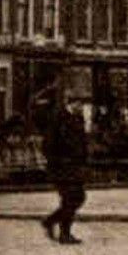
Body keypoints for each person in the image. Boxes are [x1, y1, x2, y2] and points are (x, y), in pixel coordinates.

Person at [41, 98, 89, 245]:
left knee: (79, 197)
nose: (82, 107)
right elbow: (48, 144)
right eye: (81, 103)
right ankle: (64, 234)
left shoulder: (78, 119)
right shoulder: (58, 118)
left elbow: (81, 142)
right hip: (61, 167)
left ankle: (50, 221)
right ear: (73, 103)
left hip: (75, 166)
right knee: (70, 198)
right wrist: (57, 161)